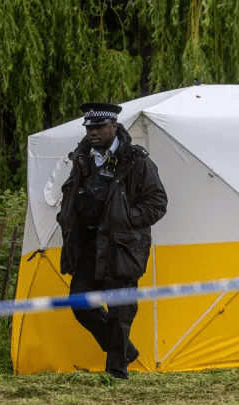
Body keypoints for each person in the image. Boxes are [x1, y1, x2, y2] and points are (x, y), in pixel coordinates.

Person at [56, 102, 167, 379]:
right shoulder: (81, 157)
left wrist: (126, 218)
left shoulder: (136, 159)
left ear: (114, 127)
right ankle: (125, 350)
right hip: (88, 244)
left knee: (121, 310)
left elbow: (157, 202)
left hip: (121, 245)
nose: (93, 132)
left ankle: (116, 371)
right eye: (89, 127)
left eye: (99, 127)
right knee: (80, 302)